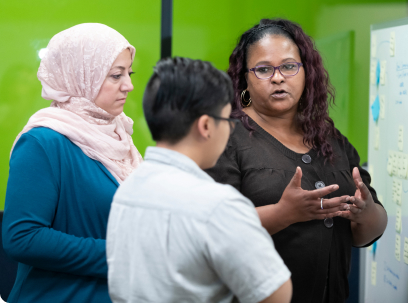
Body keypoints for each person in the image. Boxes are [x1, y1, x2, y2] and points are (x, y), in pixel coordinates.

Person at [206, 18, 388, 303]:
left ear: (306, 72)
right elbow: (211, 231)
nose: (278, 78)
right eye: (264, 69)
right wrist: (284, 212)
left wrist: (366, 213)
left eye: (289, 66)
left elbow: (365, 233)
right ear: (245, 78)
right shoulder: (224, 138)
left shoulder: (329, 137)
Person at [106, 57, 293, 303]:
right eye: (227, 120)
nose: (229, 130)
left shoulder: (127, 190)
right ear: (206, 126)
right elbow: (275, 295)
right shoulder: (218, 205)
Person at [2, 23, 143, 303]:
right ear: (82, 76)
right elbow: (22, 237)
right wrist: (121, 256)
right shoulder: (44, 142)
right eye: (116, 75)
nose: (129, 85)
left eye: (129, 72)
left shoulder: (118, 134)